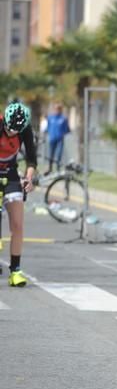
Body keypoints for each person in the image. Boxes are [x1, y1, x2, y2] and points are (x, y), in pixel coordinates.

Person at [0, 100, 37, 286]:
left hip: (11, 174)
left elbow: (31, 160)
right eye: (9, 129)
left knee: (17, 224)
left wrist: (28, 179)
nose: (12, 133)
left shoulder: (25, 130)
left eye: (16, 131)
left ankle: (15, 270)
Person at [44, 103, 70, 175]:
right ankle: (50, 168)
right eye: (56, 109)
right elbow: (48, 127)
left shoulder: (63, 119)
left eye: (58, 109)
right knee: (51, 155)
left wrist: (62, 134)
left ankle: (58, 169)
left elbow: (67, 129)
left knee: (59, 154)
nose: (57, 110)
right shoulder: (50, 118)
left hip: (60, 140)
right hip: (52, 139)